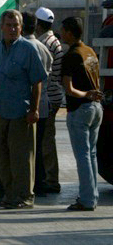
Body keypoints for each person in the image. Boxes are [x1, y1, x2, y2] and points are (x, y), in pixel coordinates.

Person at [0, 9, 46, 209]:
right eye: (8, 25)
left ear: (21, 27)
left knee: (21, 159)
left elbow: (37, 82)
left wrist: (34, 110)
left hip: (20, 114)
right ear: (2, 27)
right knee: (1, 158)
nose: (12, 29)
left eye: (16, 25)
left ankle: (24, 196)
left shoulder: (28, 49)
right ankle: (10, 195)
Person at [60, 16, 103, 211]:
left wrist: (85, 94)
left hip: (80, 109)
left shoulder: (71, 55)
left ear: (69, 32)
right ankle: (92, 196)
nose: (61, 34)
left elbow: (68, 89)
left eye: (63, 30)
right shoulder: (90, 52)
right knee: (91, 154)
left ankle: (86, 199)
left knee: (83, 156)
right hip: (96, 108)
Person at [22, 12, 53, 197]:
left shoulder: (25, 48)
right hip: (43, 105)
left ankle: (30, 184)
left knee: (27, 149)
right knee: (39, 147)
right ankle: (40, 183)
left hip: (30, 105)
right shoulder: (43, 47)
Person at [35, 7, 65, 194]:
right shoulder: (53, 41)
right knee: (47, 140)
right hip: (54, 96)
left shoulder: (44, 43)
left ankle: (51, 180)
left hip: (48, 97)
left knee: (46, 142)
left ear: (38, 24)